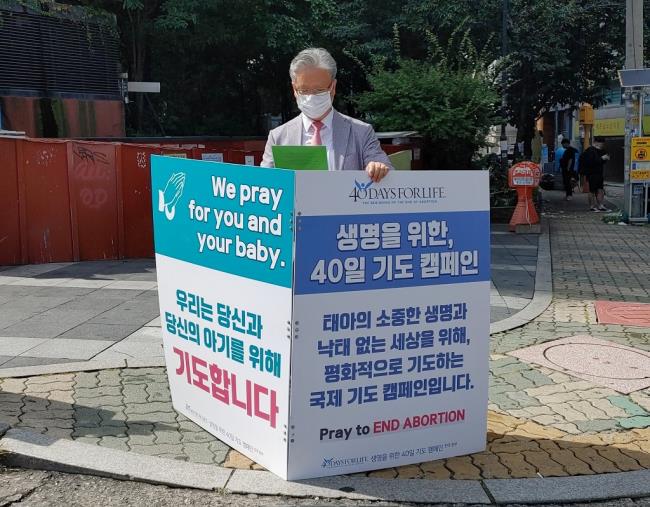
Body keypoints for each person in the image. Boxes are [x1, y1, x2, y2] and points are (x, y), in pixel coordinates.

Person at [261, 48, 392, 182]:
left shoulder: (361, 132)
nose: (311, 97)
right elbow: (262, 184)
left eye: (319, 90)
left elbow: (385, 169)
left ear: (333, 87)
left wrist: (378, 167)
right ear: (294, 89)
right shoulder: (278, 137)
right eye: (304, 90)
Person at [579, 137, 610, 212]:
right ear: (596, 142)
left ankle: (600, 205)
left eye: (603, 143)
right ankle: (592, 206)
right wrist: (602, 158)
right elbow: (590, 162)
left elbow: (601, 161)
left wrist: (605, 158)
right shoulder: (590, 150)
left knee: (600, 189)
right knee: (592, 190)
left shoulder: (601, 151)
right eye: (601, 143)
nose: (602, 145)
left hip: (599, 172)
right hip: (592, 173)